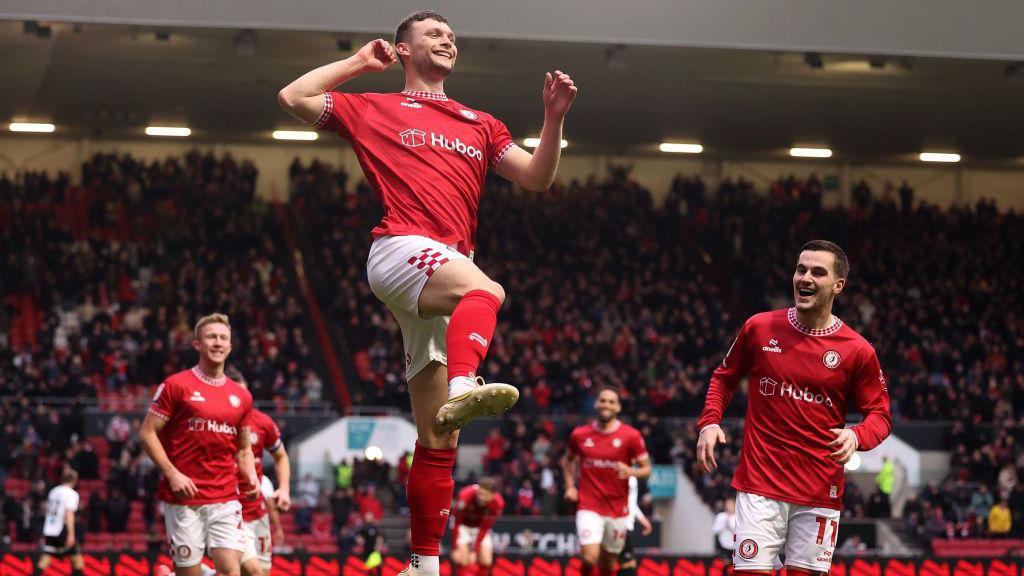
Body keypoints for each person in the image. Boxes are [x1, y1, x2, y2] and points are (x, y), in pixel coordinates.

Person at [277, 10, 577, 576]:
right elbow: (293, 96)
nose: (448, 40)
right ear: (404, 49)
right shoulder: (374, 107)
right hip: (399, 248)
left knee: (439, 431)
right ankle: (467, 378)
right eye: (434, 34)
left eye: (452, 36)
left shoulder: (480, 122)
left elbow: (538, 178)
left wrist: (552, 119)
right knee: (488, 291)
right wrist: (358, 65)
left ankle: (423, 563)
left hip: (444, 267)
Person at [696, 240, 891, 576]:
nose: (806, 278)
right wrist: (710, 422)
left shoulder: (857, 350)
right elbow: (724, 378)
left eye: (818, 272)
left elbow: (880, 416)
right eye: (801, 269)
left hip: (819, 490)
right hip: (760, 484)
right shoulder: (759, 328)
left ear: (838, 285)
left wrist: (856, 436)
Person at [139, 314, 260, 576]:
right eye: (211, 337)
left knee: (231, 571)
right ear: (197, 344)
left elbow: (243, 449)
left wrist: (250, 476)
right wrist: (172, 473)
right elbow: (147, 433)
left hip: (225, 497)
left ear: (230, 346)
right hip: (184, 499)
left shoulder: (242, 396)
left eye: (223, 338)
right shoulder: (175, 386)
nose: (218, 343)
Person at [562, 388, 652, 576]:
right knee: (589, 557)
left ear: (618, 407)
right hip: (589, 505)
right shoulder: (580, 434)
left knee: (609, 565)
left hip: (617, 509)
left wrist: (631, 471)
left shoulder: (631, 436)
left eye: (611, 402)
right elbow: (567, 461)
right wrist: (570, 486)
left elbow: (647, 469)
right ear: (596, 404)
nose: (606, 405)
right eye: (603, 401)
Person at [229, 368, 292, 576]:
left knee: (262, 573)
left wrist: (284, 488)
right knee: (251, 572)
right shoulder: (216, 424)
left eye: (245, 395)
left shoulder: (262, 422)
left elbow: (281, 457)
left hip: (258, 512)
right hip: (229, 513)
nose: (242, 401)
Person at [451, 479, 505, 576]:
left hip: (480, 528)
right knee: (462, 559)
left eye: (485, 495)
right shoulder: (465, 495)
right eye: (480, 494)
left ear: (493, 495)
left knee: (486, 560)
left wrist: (475, 551)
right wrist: (455, 548)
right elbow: (456, 522)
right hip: (463, 526)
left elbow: (485, 527)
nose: (481, 498)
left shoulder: (498, 504)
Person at [37, 468, 84, 576]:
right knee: (77, 558)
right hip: (61, 529)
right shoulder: (72, 494)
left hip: (50, 529)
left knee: (46, 558)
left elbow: (48, 511)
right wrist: (71, 534)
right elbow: (69, 514)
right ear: (75, 480)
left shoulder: (53, 492)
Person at [618, 475, 654, 576]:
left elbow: (631, 503)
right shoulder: (618, 472)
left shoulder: (633, 477)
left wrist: (642, 519)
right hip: (618, 525)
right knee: (624, 564)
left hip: (627, 526)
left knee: (628, 564)